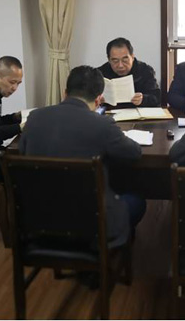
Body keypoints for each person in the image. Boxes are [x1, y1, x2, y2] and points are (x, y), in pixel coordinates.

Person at [19, 65, 146, 248]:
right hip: (90, 221)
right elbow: (134, 153)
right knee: (137, 201)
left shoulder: (34, 118)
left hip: (39, 217)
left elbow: (23, 152)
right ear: (99, 99)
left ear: (65, 93)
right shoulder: (102, 124)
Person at [98, 37, 161, 109]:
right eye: (115, 61)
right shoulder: (100, 73)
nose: (120, 65)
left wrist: (143, 99)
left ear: (132, 57)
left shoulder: (145, 70)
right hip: (109, 114)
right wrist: (97, 101)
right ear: (109, 60)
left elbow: (157, 98)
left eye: (125, 60)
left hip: (138, 114)